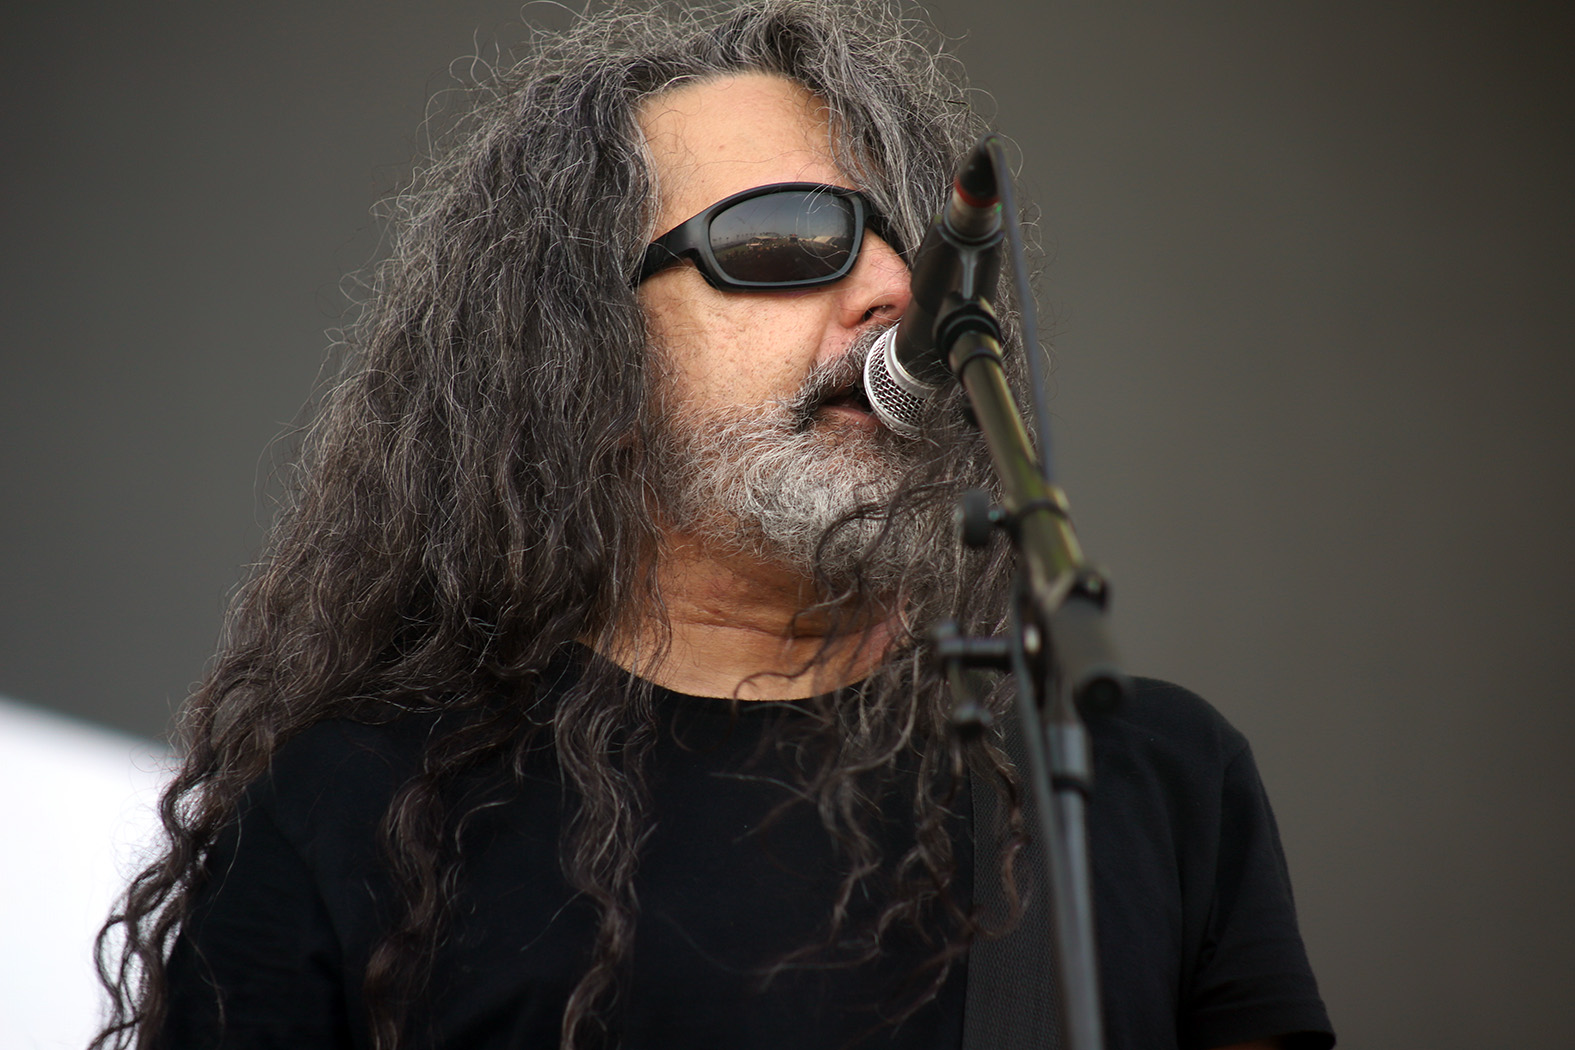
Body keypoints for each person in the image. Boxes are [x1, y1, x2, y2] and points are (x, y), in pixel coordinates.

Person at [95, 3, 1334, 1049]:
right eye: (789, 238)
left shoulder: (1146, 780)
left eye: (906, 243)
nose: (893, 290)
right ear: (583, 355)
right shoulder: (354, 814)